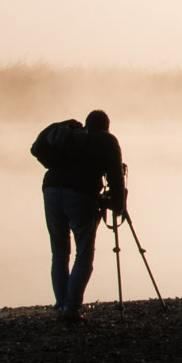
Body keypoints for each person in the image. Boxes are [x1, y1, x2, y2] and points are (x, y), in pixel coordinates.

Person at [40, 110, 126, 323]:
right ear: (107, 126)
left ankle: (61, 305)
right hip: (81, 194)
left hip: (51, 190)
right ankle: (71, 307)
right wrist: (119, 206)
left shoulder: (71, 137)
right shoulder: (107, 140)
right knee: (84, 253)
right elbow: (115, 176)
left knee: (59, 253)